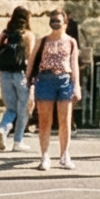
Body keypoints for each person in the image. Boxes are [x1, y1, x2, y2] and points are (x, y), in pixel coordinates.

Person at [28, 9, 82, 171]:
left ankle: (64, 155)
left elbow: (74, 65)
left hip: (64, 79)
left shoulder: (71, 42)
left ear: (65, 23)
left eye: (58, 20)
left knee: (65, 120)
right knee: (45, 121)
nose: (55, 23)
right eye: (53, 20)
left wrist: (76, 86)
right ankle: (45, 155)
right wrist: (28, 83)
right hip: (45, 80)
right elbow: (31, 62)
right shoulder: (42, 41)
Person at [0, 6, 33, 152]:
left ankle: (3, 128)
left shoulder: (5, 33)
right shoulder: (28, 35)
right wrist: (32, 78)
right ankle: (18, 142)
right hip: (21, 74)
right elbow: (30, 57)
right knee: (23, 109)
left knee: (11, 108)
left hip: (5, 74)